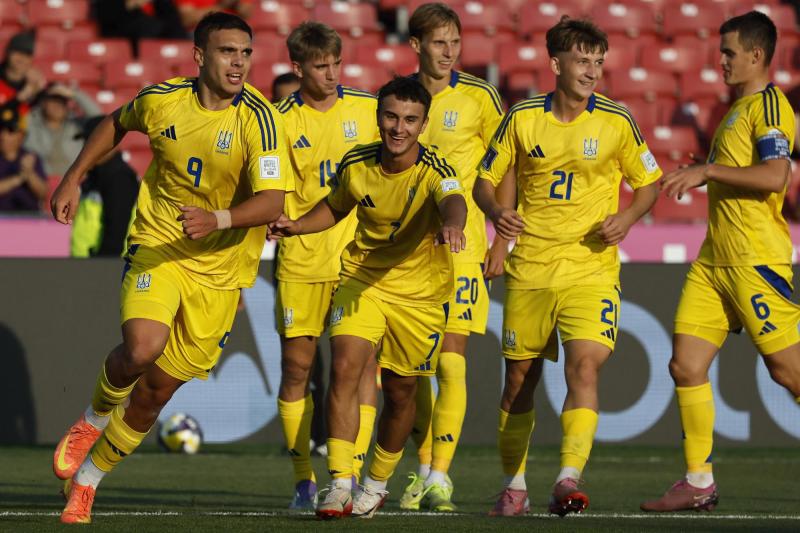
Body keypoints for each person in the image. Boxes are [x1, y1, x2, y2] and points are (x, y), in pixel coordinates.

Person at [49, 12, 291, 524]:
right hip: (159, 244)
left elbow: (272, 201)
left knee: (156, 390)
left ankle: (89, 481)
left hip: (222, 270)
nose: (239, 63)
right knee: (141, 348)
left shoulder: (260, 119)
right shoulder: (162, 100)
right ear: (200, 56)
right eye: (228, 52)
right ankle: (92, 418)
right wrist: (74, 175)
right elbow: (116, 121)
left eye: (246, 53)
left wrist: (219, 218)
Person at [474, 16, 661, 517]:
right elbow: (484, 181)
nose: (592, 71)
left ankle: (567, 477)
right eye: (582, 61)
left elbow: (648, 184)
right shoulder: (522, 117)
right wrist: (496, 214)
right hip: (531, 267)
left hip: (591, 268)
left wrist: (626, 218)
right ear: (556, 63)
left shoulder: (617, 120)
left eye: (598, 62)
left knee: (584, 367)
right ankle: (514, 486)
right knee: (519, 382)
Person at [270, 76, 467, 519]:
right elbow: (337, 205)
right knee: (343, 367)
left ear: (423, 124)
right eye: (392, 116)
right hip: (362, 279)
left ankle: (376, 483)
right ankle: (340, 482)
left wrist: (453, 224)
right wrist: (297, 225)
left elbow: (454, 201)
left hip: (419, 294)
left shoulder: (438, 169)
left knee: (400, 393)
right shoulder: (357, 161)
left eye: (410, 120)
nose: (399, 128)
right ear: (378, 117)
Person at [641, 11, 800, 513]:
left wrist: (707, 170)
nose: (721, 60)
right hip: (715, 261)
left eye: (729, 52)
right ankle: (698, 481)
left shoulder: (771, 108)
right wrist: (704, 171)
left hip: (756, 260)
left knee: (788, 374)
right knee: (685, 365)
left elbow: (777, 177)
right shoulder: (735, 110)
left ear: (756, 55)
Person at [398, 2, 507, 513]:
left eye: (455, 44)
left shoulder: (481, 98)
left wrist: (503, 239)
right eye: (439, 43)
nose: (449, 53)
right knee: (409, 368)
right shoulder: (402, 99)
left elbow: (506, 167)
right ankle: (423, 468)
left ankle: (440, 476)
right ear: (417, 45)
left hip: (464, 247)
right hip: (408, 250)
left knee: (451, 358)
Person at [273, 21, 380, 510]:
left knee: (358, 368)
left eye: (337, 62)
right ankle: (303, 481)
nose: (332, 72)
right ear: (298, 68)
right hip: (301, 258)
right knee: (297, 367)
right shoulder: (278, 120)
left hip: (359, 258)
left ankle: (351, 475)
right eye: (321, 65)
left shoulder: (366, 109)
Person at [69, 115, 140, 257]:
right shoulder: (96, 176)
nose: (87, 147)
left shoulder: (120, 177)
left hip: (106, 268)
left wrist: (102, 265)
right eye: (86, 141)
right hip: (88, 266)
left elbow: (117, 232)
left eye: (92, 141)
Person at [24, 83, 102, 177]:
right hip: (42, 183)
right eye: (53, 100)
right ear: (43, 103)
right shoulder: (32, 123)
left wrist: (74, 94)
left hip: (76, 181)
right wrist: (35, 96)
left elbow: (99, 118)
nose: (58, 105)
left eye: (62, 102)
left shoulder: (76, 125)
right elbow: (21, 114)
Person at [0, 102, 48, 211]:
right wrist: (19, 178)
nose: (3, 135)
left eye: (10, 131)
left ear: (21, 135)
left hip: (28, 220)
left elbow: (43, 194)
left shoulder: (31, 158)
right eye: (0, 129)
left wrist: (30, 174)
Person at [0, 31, 45, 109]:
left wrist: (36, 93)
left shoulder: (35, 83)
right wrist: (21, 97)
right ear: (8, 53)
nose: (22, 59)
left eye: (27, 55)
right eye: (18, 53)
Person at [176, 0, 253, 33]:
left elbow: (247, 13)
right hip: (203, 31)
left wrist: (235, 2)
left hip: (235, 29)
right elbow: (187, 19)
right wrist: (221, 5)